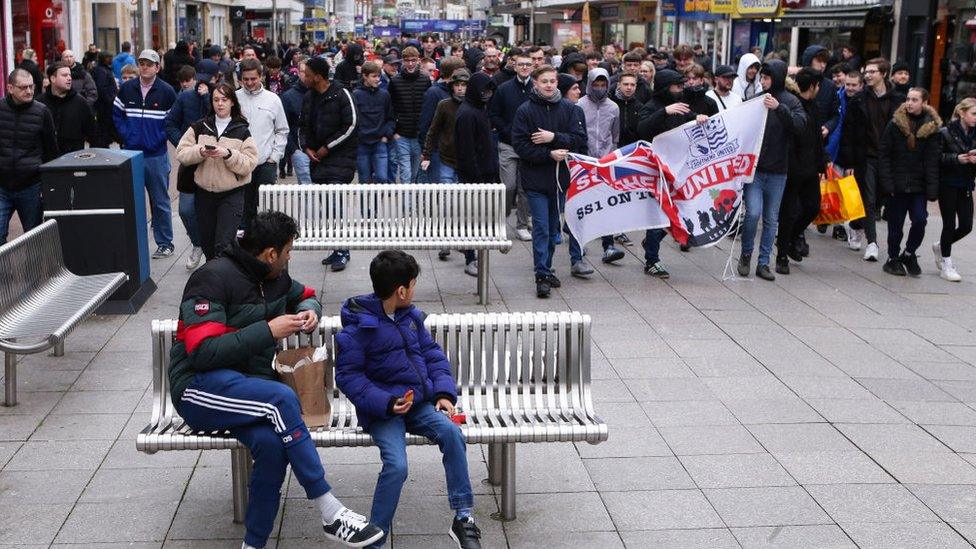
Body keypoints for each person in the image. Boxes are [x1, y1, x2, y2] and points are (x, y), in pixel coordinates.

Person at [169, 210, 384, 549]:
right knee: (281, 398)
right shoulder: (211, 278)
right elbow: (203, 353)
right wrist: (268, 330)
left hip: (246, 389)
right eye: (287, 252)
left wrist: (311, 308)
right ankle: (330, 511)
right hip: (199, 389)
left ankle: (252, 545)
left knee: (271, 447)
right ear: (270, 254)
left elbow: (306, 293)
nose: (289, 258)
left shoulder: (274, 276)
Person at [335, 250, 482, 549]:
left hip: (420, 404)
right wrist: (387, 403)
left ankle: (463, 517)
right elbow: (349, 378)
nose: (415, 290)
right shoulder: (359, 328)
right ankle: (374, 538)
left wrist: (442, 393)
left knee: (452, 434)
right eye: (413, 284)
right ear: (401, 290)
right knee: (397, 466)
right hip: (383, 412)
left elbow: (432, 355)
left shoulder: (410, 317)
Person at [511, 65, 590, 298]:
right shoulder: (525, 110)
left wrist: (552, 138)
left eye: (552, 81)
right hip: (535, 180)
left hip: (559, 181)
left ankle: (547, 266)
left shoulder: (569, 109)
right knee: (542, 229)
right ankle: (542, 274)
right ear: (535, 83)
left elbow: (578, 139)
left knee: (554, 229)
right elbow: (521, 145)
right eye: (543, 81)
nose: (548, 85)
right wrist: (549, 154)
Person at [736, 60, 807, 281]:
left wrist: (779, 108)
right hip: (756, 170)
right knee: (753, 213)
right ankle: (746, 254)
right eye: (761, 78)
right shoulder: (756, 99)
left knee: (771, 219)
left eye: (766, 77)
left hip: (778, 171)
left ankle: (764, 262)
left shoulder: (791, 101)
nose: (763, 81)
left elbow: (799, 126)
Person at [175, 82, 259, 260]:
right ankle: (214, 280)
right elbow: (181, 153)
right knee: (207, 243)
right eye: (216, 100)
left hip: (232, 194)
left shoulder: (242, 130)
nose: (220, 103)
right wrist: (200, 152)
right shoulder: (199, 126)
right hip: (204, 193)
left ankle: (224, 282)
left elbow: (250, 163)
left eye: (224, 99)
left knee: (224, 244)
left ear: (232, 102)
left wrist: (228, 154)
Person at [113, 49, 178, 258]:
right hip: (131, 153)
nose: (145, 67)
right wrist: (127, 135)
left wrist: (159, 138)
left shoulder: (167, 91)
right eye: (141, 63)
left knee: (160, 201)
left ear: (157, 67)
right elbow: (117, 113)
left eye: (149, 64)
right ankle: (134, 244)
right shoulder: (127, 88)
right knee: (132, 200)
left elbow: (172, 120)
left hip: (156, 154)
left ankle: (165, 243)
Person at [301, 56, 359, 272]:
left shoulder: (341, 94)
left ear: (317, 77)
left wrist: (328, 147)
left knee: (336, 205)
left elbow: (351, 125)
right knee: (327, 207)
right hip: (318, 161)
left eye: (307, 74)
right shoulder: (309, 97)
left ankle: (343, 250)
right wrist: (307, 147)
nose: (304, 78)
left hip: (340, 159)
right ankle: (337, 248)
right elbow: (302, 125)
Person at [879, 88, 942, 277]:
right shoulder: (894, 124)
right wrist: (887, 183)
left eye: (914, 99)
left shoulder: (932, 127)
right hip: (897, 185)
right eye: (908, 99)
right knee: (895, 224)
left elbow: (932, 160)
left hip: (918, 185)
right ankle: (892, 258)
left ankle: (909, 253)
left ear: (924, 102)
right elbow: (884, 155)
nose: (909, 103)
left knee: (920, 220)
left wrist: (932, 189)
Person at [850, 58, 906, 262]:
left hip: (889, 159)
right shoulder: (858, 99)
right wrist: (849, 161)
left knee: (881, 200)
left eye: (872, 71)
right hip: (867, 157)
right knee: (870, 199)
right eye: (866, 71)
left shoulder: (898, 100)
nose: (868, 75)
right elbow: (850, 131)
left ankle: (856, 224)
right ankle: (872, 243)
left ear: (883, 74)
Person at [775, 68, 827, 275]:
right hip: (792, 168)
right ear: (813, 86)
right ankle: (781, 255)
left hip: (811, 168)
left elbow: (817, 139)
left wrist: (821, 165)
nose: (819, 89)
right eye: (818, 86)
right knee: (788, 212)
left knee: (813, 207)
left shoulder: (815, 108)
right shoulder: (794, 105)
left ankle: (791, 238)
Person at [0, 68, 59, 243]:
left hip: (31, 185)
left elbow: (51, 151)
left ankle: (30, 271)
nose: (29, 91)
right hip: (2, 185)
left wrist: (47, 186)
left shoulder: (42, 112)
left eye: (31, 87)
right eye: (23, 87)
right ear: (10, 88)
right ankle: (4, 270)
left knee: (32, 238)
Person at [578, 67, 626, 264]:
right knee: (583, 205)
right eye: (595, 85)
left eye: (603, 85)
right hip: (584, 160)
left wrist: (610, 156)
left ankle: (608, 246)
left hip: (605, 161)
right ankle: (579, 244)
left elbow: (615, 135)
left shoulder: (613, 108)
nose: (599, 88)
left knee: (606, 205)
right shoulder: (579, 104)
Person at [166, 73, 213, 269]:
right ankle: (197, 244)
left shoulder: (219, 96)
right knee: (185, 209)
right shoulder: (184, 97)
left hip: (214, 163)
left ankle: (213, 254)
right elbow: (170, 123)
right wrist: (183, 147)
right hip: (190, 164)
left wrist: (207, 98)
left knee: (211, 211)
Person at [236, 58, 289, 231]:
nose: (250, 83)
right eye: (246, 79)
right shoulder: (234, 99)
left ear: (261, 77)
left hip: (265, 163)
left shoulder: (273, 100)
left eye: (253, 79)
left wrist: (274, 157)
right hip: (241, 164)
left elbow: (282, 130)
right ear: (240, 79)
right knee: (243, 209)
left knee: (266, 211)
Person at [489, 49, 535, 242]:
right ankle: (503, 216)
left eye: (528, 64)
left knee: (525, 188)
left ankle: (522, 224)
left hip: (530, 145)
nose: (524, 67)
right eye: (521, 64)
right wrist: (507, 131)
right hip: (508, 144)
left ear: (533, 67)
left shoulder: (537, 88)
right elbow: (494, 114)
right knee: (508, 186)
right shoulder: (504, 88)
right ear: (514, 65)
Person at [935, 97, 976, 282]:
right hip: (948, 183)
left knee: (967, 225)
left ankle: (941, 246)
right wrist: (957, 158)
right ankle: (946, 262)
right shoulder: (945, 132)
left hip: (966, 183)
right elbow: (937, 158)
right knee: (949, 224)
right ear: (961, 112)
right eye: (974, 113)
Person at [417, 57, 466, 184]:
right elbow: (426, 124)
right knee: (438, 189)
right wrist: (427, 151)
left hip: (457, 152)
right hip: (437, 152)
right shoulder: (434, 93)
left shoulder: (462, 95)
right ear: (454, 72)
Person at [388, 47, 431, 184]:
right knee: (406, 172)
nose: (410, 64)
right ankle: (407, 204)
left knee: (415, 172)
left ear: (418, 60)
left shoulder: (425, 80)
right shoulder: (395, 81)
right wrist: (395, 131)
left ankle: (410, 202)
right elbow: (391, 107)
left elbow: (428, 108)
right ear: (403, 61)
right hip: (402, 134)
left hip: (419, 134)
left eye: (413, 60)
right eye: (407, 61)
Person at [836, 69, 866, 251]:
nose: (850, 88)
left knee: (850, 192)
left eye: (854, 85)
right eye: (848, 84)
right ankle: (840, 223)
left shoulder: (862, 102)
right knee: (838, 191)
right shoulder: (837, 98)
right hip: (836, 150)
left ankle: (850, 224)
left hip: (852, 155)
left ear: (861, 85)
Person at [36, 62, 95, 154]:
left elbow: (94, 134)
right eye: (64, 75)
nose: (69, 78)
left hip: (73, 160)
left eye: (69, 75)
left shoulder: (81, 103)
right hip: (46, 161)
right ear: (53, 78)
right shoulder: (39, 103)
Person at [354, 61, 395, 184]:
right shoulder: (356, 95)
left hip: (379, 142)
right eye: (374, 76)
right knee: (364, 180)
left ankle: (375, 203)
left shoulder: (384, 95)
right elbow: (352, 119)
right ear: (365, 76)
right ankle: (366, 204)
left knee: (382, 178)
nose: (377, 79)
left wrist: (386, 135)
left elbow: (391, 118)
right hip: (362, 144)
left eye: (378, 76)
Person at [281, 57, 310, 184]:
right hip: (300, 151)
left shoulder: (321, 94)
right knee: (307, 189)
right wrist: (293, 150)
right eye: (304, 71)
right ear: (298, 73)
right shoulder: (289, 97)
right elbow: (283, 126)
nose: (307, 75)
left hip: (321, 152)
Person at [90, 51, 118, 148]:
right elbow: (102, 89)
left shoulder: (104, 70)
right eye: (108, 58)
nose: (111, 60)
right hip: (104, 108)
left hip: (105, 106)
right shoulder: (101, 71)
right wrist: (110, 100)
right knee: (103, 131)